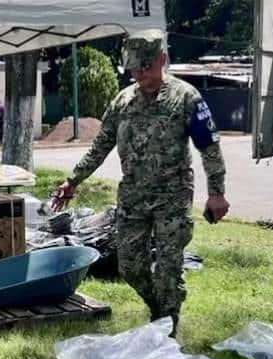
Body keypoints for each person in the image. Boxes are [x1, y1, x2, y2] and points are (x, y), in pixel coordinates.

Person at [51, 30, 230, 337]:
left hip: (173, 194)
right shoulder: (123, 101)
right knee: (130, 267)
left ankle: (167, 332)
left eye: (145, 67)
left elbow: (209, 147)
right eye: (134, 69)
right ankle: (159, 310)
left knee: (168, 269)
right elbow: (100, 147)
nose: (140, 74)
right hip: (133, 194)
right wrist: (73, 180)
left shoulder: (187, 98)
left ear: (162, 59)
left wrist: (217, 193)